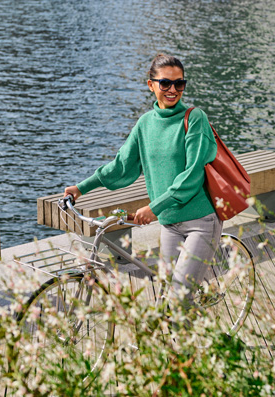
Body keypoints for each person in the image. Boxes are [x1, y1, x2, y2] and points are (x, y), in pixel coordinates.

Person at [64, 54, 220, 304]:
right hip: (170, 223)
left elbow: (192, 175)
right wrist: (82, 188)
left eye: (179, 84)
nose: (172, 90)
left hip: (200, 222)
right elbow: (121, 166)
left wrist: (154, 207)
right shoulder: (145, 124)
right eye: (165, 83)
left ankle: (212, 341)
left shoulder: (195, 118)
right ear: (151, 85)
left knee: (179, 301)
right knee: (166, 300)